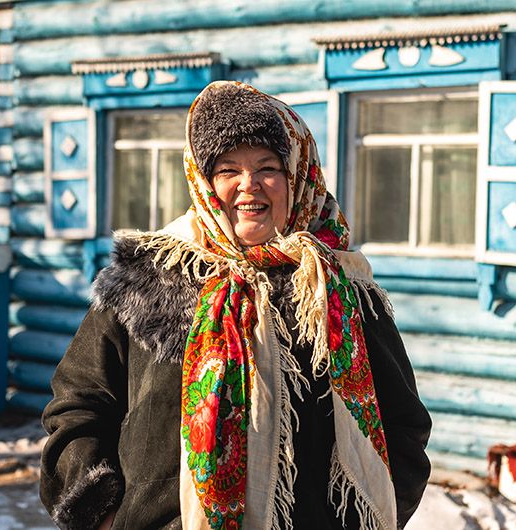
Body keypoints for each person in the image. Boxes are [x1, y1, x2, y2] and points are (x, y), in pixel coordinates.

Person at [40, 81, 432, 530]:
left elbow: (404, 427)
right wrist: (103, 512)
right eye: (228, 170)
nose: (249, 186)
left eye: (268, 167)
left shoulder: (339, 291)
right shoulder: (149, 277)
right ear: (205, 183)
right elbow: (77, 402)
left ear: (298, 176)